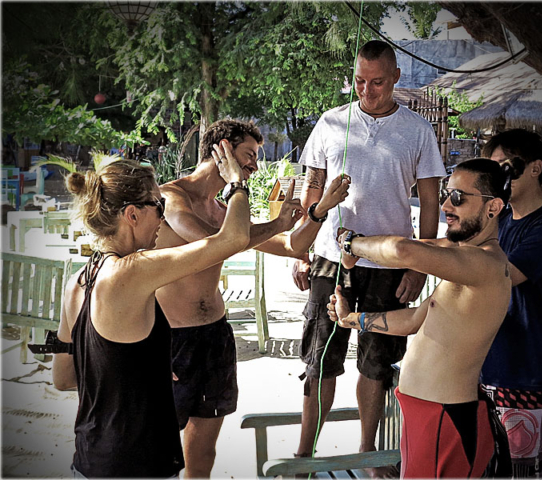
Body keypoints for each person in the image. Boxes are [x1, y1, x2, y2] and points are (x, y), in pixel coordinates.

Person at [154, 119, 351, 478]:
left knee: (202, 450)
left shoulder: (222, 209)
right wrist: (254, 204)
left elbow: (293, 246)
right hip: (171, 341)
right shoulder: (172, 197)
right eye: (248, 156)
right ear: (222, 150)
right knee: (158, 450)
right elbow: (210, 246)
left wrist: (319, 211)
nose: (255, 166)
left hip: (214, 337)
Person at [291, 39, 446, 474]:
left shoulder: (417, 130)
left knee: (377, 361)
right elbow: (312, 189)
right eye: (360, 81)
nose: (367, 91)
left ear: (396, 78)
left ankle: (369, 455)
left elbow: (431, 205)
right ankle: (304, 455)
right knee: (320, 355)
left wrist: (419, 264)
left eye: (377, 82)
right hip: (328, 256)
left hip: (390, 260)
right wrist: (301, 252)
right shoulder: (330, 121)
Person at [51, 144, 251, 478]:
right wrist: (236, 185)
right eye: (158, 206)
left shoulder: (77, 281)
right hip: (137, 463)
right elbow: (232, 239)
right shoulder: (133, 270)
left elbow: (63, 377)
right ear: (131, 215)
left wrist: (140, 370)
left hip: (89, 458)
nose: (164, 216)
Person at [328, 158, 514, 478]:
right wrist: (353, 320)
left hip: (445, 420)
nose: (444, 205)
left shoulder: (485, 263)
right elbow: (418, 318)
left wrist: (350, 242)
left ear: (493, 207)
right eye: (446, 194)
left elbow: (404, 251)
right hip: (428, 416)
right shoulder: (463, 258)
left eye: (458, 197)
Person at [480, 129, 542, 478]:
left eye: (505, 168)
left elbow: (501, 275)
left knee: (526, 473)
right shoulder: (501, 220)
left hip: (530, 375)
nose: (498, 179)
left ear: (535, 168)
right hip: (490, 368)